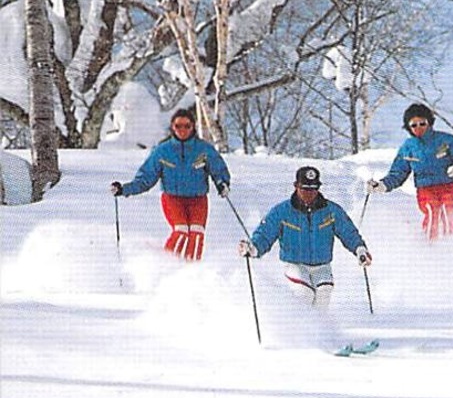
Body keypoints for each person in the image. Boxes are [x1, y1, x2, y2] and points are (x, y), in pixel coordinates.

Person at [238, 165, 372, 308]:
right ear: (296, 187)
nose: (309, 193)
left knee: (324, 292)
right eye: (305, 189)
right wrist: (253, 248)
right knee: (304, 293)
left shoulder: (331, 211)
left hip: (322, 265)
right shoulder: (282, 211)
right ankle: (298, 326)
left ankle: (320, 327)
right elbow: (265, 234)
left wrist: (360, 250)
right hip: (295, 263)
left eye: (313, 189)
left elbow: (348, 232)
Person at [110, 108, 230, 261]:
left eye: (187, 126)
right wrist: (124, 189)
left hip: (198, 200)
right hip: (173, 199)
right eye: (178, 126)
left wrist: (222, 184)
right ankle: (165, 265)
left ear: (193, 127)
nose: (182, 130)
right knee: (181, 231)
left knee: (196, 234)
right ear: (172, 127)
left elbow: (219, 170)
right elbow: (146, 178)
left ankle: (191, 272)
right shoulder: (163, 151)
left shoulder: (204, 150)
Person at [366, 102, 453, 240]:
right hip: (426, 189)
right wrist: (383, 185)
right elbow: (398, 173)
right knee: (432, 210)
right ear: (408, 127)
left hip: (450, 185)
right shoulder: (408, 147)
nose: (418, 128)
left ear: (429, 122)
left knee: (449, 210)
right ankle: (430, 247)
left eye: (422, 123)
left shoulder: (445, 140)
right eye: (414, 125)